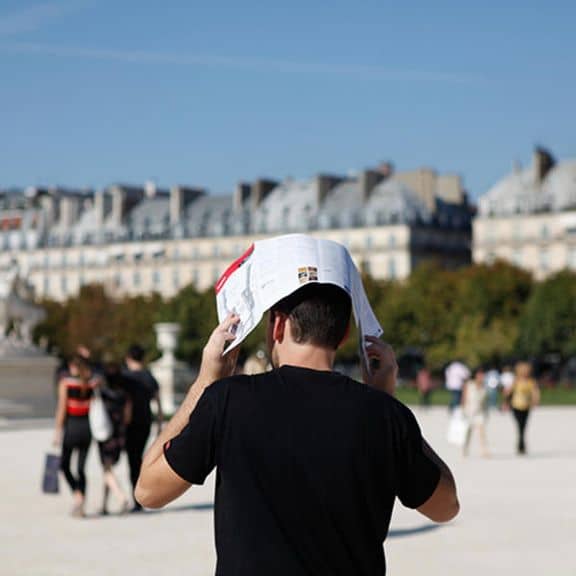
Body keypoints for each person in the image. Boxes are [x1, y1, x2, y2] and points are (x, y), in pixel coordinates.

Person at [136, 282, 459, 575]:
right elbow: (446, 506)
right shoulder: (384, 414)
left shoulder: (230, 400)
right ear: (345, 334)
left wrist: (204, 383)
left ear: (278, 325)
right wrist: (390, 405)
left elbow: (148, 490)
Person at [53, 354, 100, 517]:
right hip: (87, 429)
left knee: (64, 465)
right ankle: (81, 503)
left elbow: (61, 409)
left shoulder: (66, 383)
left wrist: (57, 432)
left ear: (74, 366)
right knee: (81, 468)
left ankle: (77, 495)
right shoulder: (93, 383)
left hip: (72, 428)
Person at [122, 344, 162, 511]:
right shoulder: (148, 376)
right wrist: (160, 424)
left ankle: (137, 498)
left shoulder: (125, 377)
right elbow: (157, 401)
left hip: (129, 423)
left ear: (128, 358)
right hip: (145, 421)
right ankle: (142, 496)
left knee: (133, 461)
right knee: (141, 458)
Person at [98, 362, 132, 515]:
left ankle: (122, 497)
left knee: (106, 469)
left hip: (105, 434)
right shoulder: (125, 394)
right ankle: (104, 504)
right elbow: (128, 417)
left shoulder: (103, 394)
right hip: (119, 433)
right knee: (108, 468)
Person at [505, 361, 540, 455]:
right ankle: (521, 445)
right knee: (520, 425)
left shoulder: (531, 381)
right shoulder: (516, 381)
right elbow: (509, 393)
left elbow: (535, 392)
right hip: (516, 406)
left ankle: (521, 445)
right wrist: (506, 402)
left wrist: (535, 401)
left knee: (523, 426)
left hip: (526, 406)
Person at [461, 368, 489, 457]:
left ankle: (484, 450)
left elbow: (484, 401)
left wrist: (486, 412)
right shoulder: (469, 385)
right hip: (469, 411)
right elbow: (464, 398)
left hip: (480, 412)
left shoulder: (484, 387)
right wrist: (463, 410)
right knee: (468, 431)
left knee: (481, 431)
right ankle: (465, 448)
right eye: (480, 375)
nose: (482, 377)